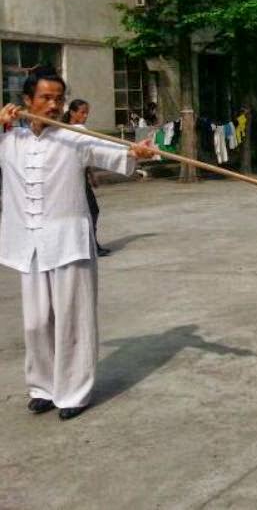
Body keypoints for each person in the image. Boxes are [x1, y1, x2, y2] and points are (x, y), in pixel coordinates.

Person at [0, 68, 155, 420]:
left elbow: (117, 153)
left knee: (73, 319)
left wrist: (136, 153)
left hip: (68, 241)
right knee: (36, 322)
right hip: (28, 242)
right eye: (45, 98)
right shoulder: (9, 140)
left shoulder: (76, 137)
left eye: (59, 98)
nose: (53, 105)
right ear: (27, 100)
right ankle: (42, 386)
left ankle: (72, 392)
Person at [63, 100, 111, 257]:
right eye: (82, 112)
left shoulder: (81, 131)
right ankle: (86, 246)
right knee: (85, 212)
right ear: (72, 112)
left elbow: (84, 155)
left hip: (82, 176)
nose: (85, 116)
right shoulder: (64, 132)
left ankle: (91, 244)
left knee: (92, 211)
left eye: (87, 112)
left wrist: (91, 175)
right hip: (70, 177)